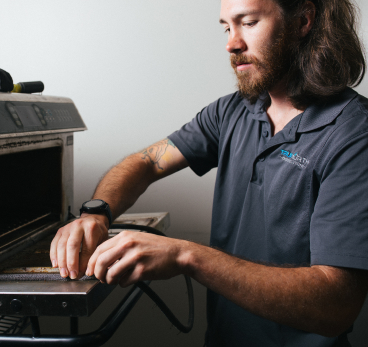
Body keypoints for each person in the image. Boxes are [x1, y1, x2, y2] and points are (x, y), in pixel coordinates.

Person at [50, 0, 368, 345]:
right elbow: (145, 162)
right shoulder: (232, 112)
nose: (232, 43)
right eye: (226, 27)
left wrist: (186, 255)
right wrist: (96, 212)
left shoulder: (354, 133)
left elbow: (337, 306)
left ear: (303, 21)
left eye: (248, 22)